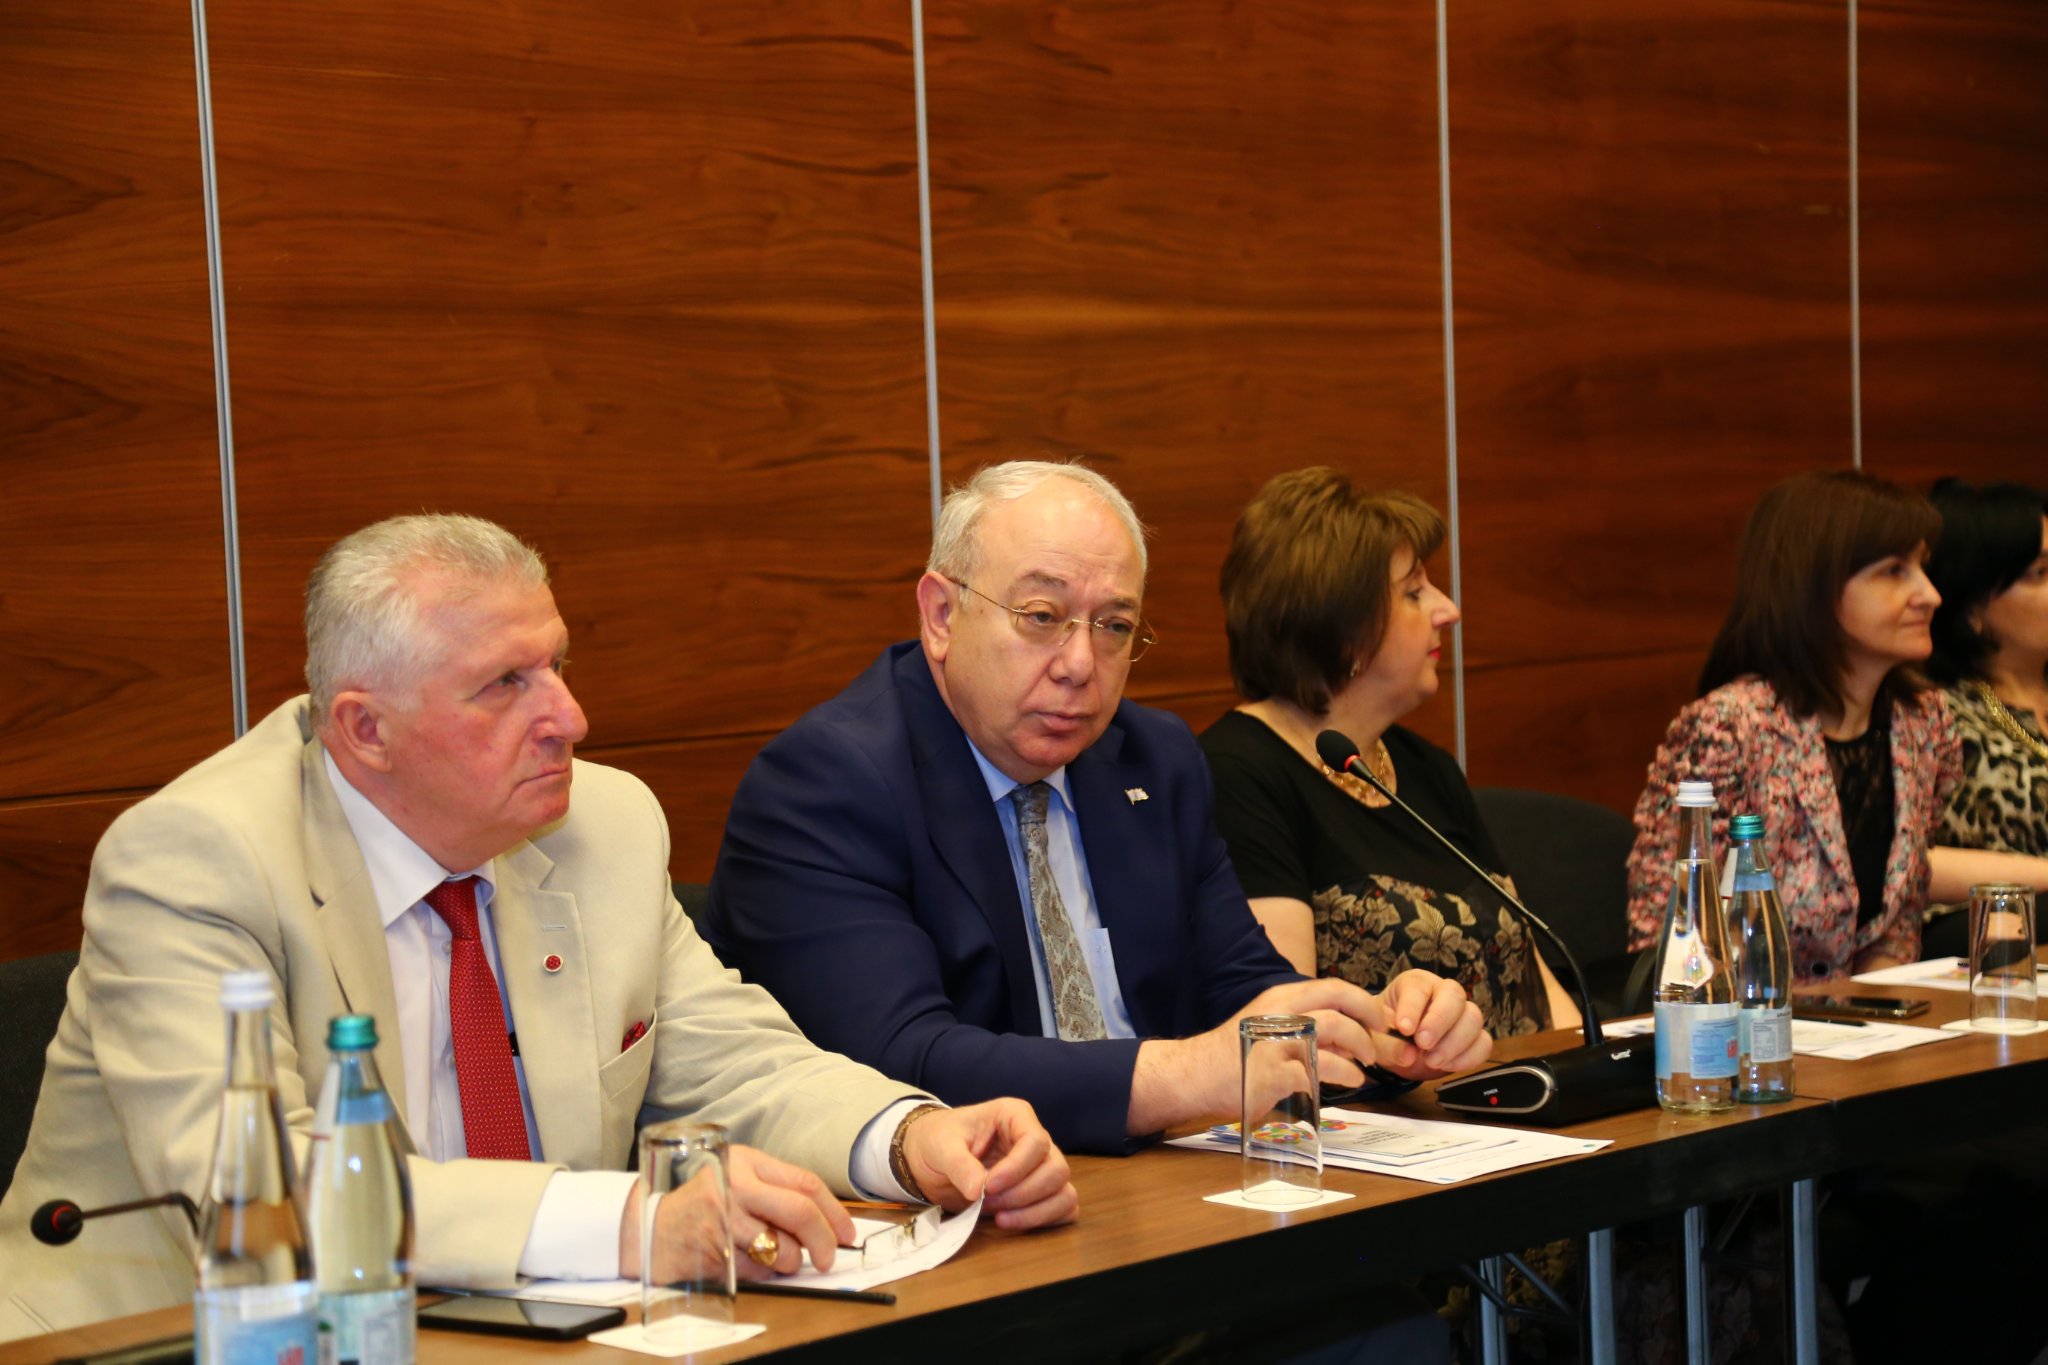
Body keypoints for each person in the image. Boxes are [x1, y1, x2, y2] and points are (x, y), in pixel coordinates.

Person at [0, 514, 1076, 1341]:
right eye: (504, 685)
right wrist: (631, 1220)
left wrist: (907, 1138)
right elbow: (262, 1188)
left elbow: (734, 1060)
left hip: (513, 1335)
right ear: (365, 730)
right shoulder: (197, 857)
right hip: (171, 1341)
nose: (568, 717)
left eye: (557, 664)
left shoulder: (601, 824)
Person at [703, 461, 1491, 1161]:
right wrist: (1182, 1076)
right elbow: (895, 1060)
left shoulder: (1154, 758)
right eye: (1041, 616)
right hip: (962, 1222)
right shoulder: (829, 781)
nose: (1080, 663)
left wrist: (1377, 1031)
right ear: (942, 614)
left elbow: (1245, 987)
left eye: (1114, 626)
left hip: (1163, 1193)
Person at [1199, 468, 1580, 1039]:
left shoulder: (1425, 767)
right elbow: (1285, 1028)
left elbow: (1537, 977)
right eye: (1414, 593)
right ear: (1343, 629)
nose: (1448, 609)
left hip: (1514, 1084)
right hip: (1384, 1094)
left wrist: (1591, 1065)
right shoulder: (1236, 777)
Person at [1624, 469, 2032, 982]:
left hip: (1859, 1017)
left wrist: (1880, 999)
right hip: (1740, 1019)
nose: (1930, 594)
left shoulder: (1924, 723)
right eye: (1894, 571)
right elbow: (1667, 937)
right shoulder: (1728, 730)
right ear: (1814, 587)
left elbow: (1898, 915)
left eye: (1923, 568)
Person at [1920, 479, 2048, 954]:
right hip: (1976, 931)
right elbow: (1903, 863)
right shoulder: (1937, 715)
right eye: (2040, 573)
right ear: (1974, 605)